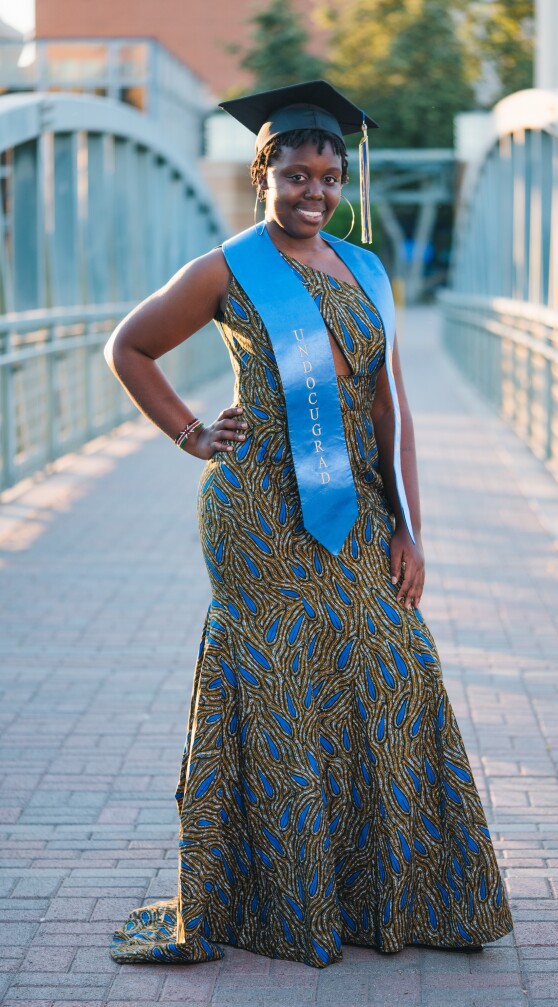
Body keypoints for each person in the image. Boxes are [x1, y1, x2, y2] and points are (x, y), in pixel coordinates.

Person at [105, 80, 512, 969]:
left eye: (329, 176)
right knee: (282, 693)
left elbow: (389, 407)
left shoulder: (365, 269)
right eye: (296, 174)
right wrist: (190, 431)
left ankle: (393, 893)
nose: (315, 191)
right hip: (257, 512)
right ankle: (287, 903)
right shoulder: (228, 266)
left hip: (355, 509)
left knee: (393, 668)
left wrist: (410, 528)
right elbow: (128, 345)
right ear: (266, 174)